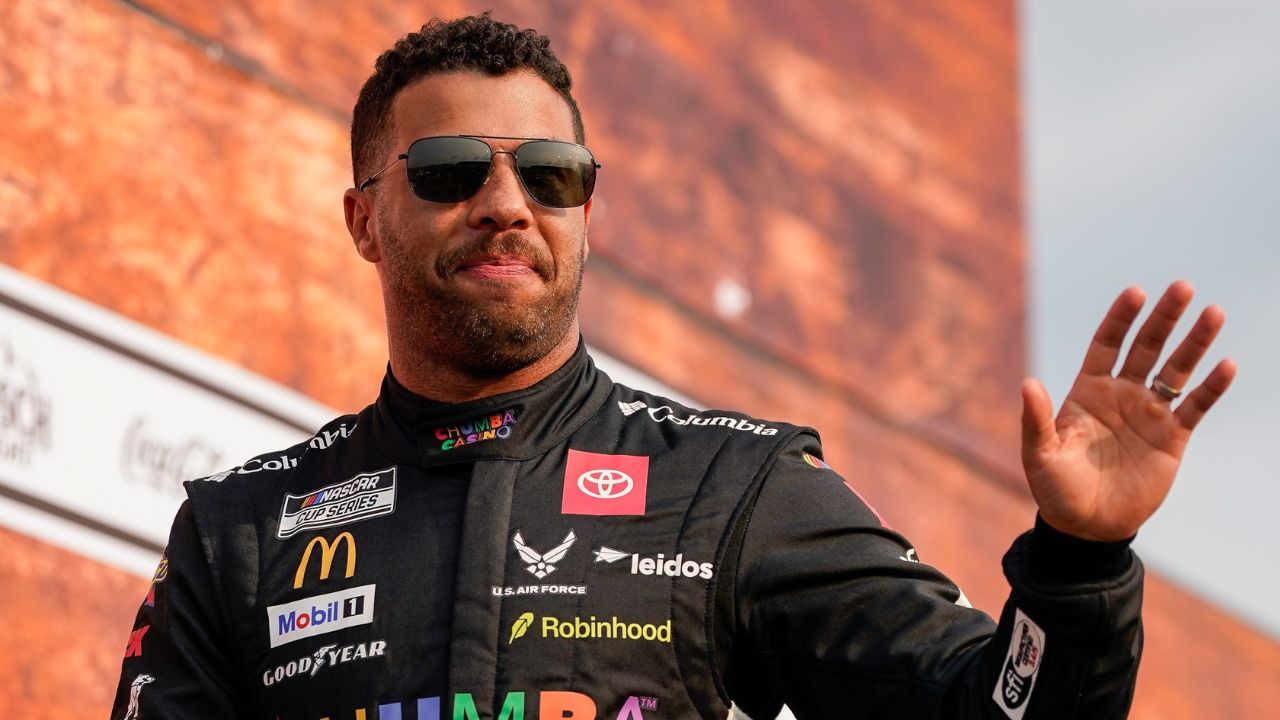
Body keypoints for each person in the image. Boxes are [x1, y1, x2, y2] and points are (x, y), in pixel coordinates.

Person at [110, 13, 1236, 720]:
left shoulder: (732, 489)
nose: (505, 204)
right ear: (364, 220)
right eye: (451, 170)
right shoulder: (241, 531)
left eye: (550, 174)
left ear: (586, 210)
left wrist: (1081, 563)